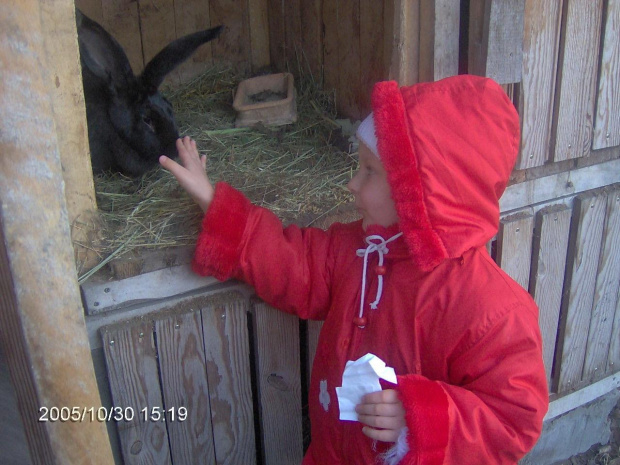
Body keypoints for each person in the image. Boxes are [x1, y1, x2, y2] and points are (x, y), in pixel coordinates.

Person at [159, 75, 548, 464]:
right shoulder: (358, 250)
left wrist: (421, 418)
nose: (351, 184)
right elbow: (291, 261)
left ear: (419, 191)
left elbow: (514, 420)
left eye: (368, 171)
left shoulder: (491, 310)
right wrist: (214, 204)